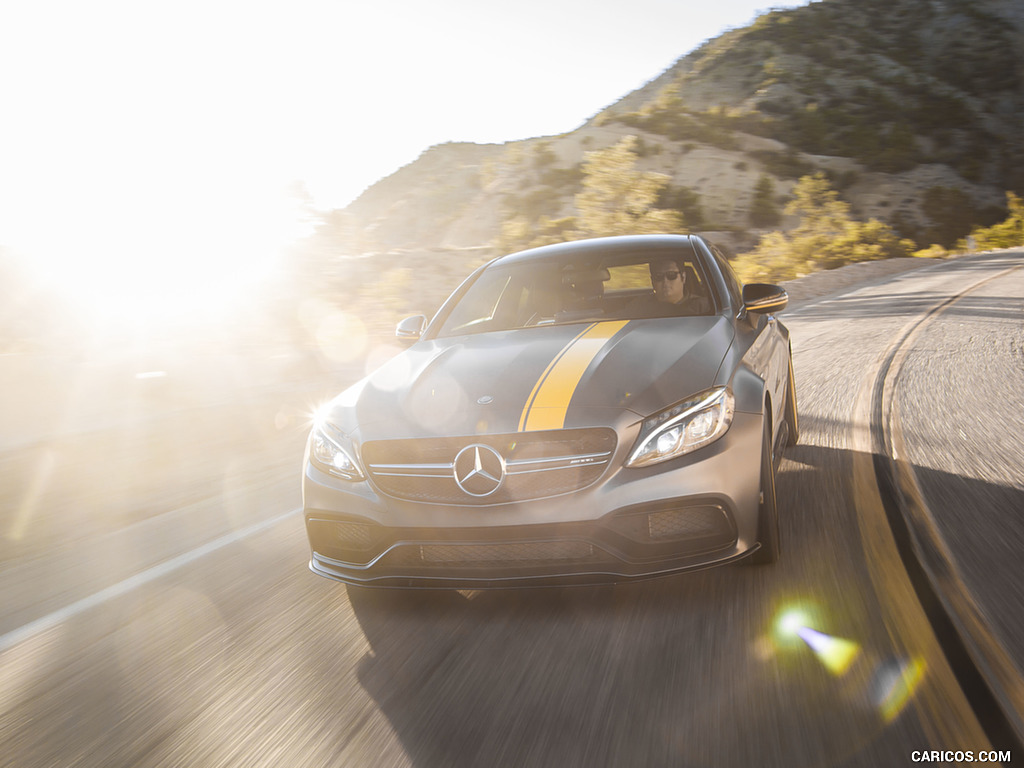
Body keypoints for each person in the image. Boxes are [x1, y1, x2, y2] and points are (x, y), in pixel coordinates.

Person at [625, 257, 713, 318]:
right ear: (652, 281)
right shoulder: (640, 306)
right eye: (658, 276)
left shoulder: (704, 307)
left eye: (671, 275)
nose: (665, 281)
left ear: (683, 277)